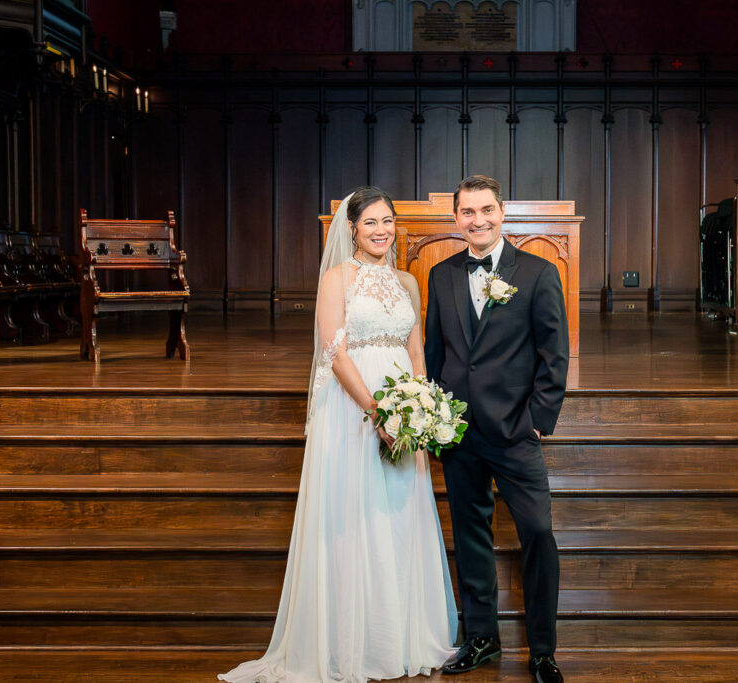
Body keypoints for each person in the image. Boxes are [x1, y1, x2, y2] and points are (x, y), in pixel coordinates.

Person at [219, 187, 457, 682]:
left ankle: (403, 636)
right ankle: (353, 643)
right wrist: (377, 413)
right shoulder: (336, 279)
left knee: (397, 515)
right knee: (357, 516)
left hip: (404, 409)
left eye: (387, 221)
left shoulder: (408, 282)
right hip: (354, 410)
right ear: (351, 228)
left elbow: (416, 352)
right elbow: (335, 352)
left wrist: (420, 409)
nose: (381, 230)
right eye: (370, 222)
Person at [424, 175, 569, 683]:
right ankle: (481, 638)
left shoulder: (537, 273)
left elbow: (555, 355)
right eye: (468, 212)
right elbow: (435, 356)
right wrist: (437, 418)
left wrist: (536, 422)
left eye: (486, 210)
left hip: (515, 433)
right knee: (470, 535)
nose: (478, 220)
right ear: (457, 218)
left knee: (538, 533)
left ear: (502, 212)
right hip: (460, 432)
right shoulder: (440, 276)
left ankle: (543, 650)